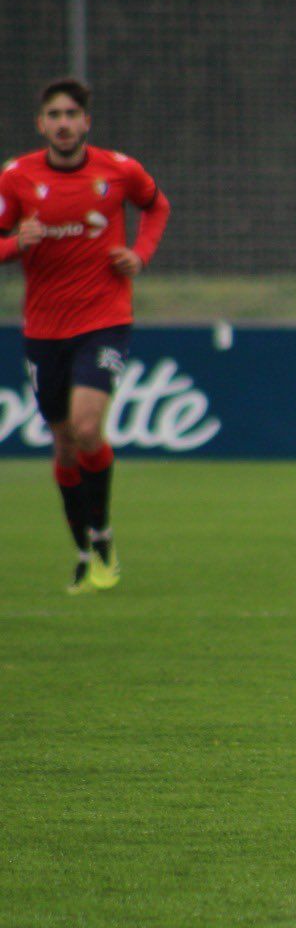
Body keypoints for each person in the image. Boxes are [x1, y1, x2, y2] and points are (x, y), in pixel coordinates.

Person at [0, 77, 171, 595]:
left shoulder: (118, 171)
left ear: (86, 122)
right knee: (65, 446)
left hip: (104, 319)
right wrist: (14, 243)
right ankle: (86, 549)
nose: (64, 123)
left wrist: (139, 256)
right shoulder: (16, 179)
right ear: (41, 124)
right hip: (44, 329)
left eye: (72, 113)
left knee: (86, 426)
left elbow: (157, 206)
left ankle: (103, 532)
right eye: (54, 114)